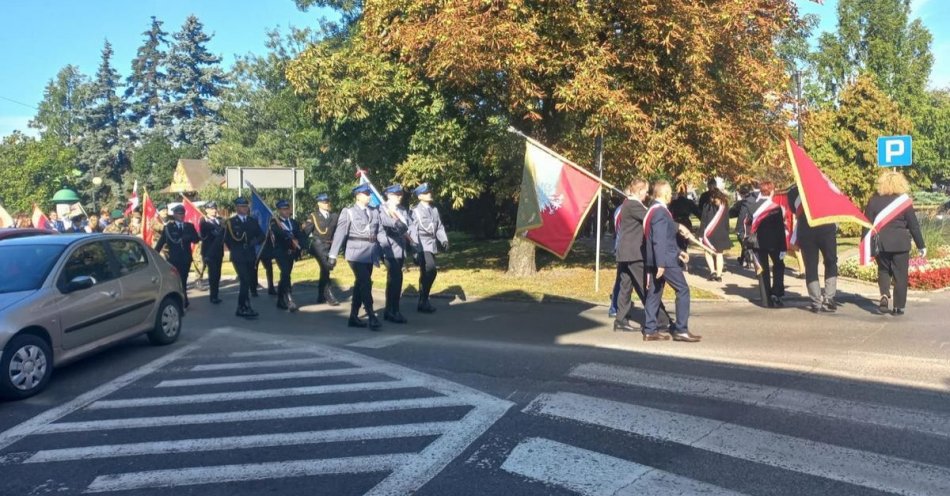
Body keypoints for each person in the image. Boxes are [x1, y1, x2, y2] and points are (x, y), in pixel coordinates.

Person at [643, 181, 701, 342]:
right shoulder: (660, 212)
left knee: (654, 293)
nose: (672, 195)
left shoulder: (653, 209)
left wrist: (679, 251)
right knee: (683, 290)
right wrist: (661, 263)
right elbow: (659, 240)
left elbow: (666, 235)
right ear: (665, 193)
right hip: (665, 259)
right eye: (670, 192)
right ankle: (681, 329)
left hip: (660, 256)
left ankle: (650, 330)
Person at [614, 178, 673, 332]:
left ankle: (621, 319)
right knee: (646, 287)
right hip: (634, 253)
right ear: (639, 191)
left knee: (625, 287)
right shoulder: (633, 205)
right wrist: (677, 226)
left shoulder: (628, 203)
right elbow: (652, 218)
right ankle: (661, 320)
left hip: (625, 252)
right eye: (646, 192)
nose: (647, 195)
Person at [864, 171, 925, 316]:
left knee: (884, 270)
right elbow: (913, 226)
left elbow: (866, 224)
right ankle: (898, 307)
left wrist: (866, 246)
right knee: (901, 275)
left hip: (882, 243)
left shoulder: (874, 201)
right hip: (901, 243)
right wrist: (921, 245)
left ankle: (884, 294)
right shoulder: (904, 202)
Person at [328, 183, 383, 329]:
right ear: (358, 196)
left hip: (370, 253)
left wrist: (385, 248)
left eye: (369, 194)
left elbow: (380, 232)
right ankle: (371, 315)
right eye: (366, 194)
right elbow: (340, 233)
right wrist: (333, 254)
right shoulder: (349, 212)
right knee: (365, 282)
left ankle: (353, 317)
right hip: (355, 253)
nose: (369, 196)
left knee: (360, 284)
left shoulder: (374, 212)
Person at [787, 186, 838, 313]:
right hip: (825, 228)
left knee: (813, 266)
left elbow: (794, 210)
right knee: (829, 262)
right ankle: (828, 298)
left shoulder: (793, 192)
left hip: (807, 230)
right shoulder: (823, 185)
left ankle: (817, 301)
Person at [410, 183, 449, 313]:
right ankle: (424, 299)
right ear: (420, 196)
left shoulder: (434, 210)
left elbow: (439, 227)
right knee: (431, 269)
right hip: (421, 244)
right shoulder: (415, 211)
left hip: (431, 244)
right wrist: (414, 249)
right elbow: (412, 230)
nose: (429, 194)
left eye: (429, 192)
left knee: (426, 272)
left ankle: (423, 300)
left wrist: (443, 239)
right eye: (426, 193)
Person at [747, 181, 788, 308]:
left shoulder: (752, 206)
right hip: (774, 243)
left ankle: (765, 300)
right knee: (779, 266)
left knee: (762, 270)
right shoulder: (775, 207)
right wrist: (783, 247)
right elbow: (780, 229)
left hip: (757, 243)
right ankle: (776, 293)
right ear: (771, 191)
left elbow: (748, 224)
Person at [379, 184, 414, 324]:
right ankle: (394, 311)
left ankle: (389, 310)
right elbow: (384, 221)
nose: (400, 197)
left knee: (393, 279)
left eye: (401, 194)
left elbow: (410, 226)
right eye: (396, 194)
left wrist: (414, 244)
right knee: (396, 278)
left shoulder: (402, 210)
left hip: (400, 249)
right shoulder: (382, 208)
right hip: (388, 248)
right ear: (388, 195)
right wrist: (396, 222)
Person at [224, 198, 265, 318]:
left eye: (246, 206)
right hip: (238, 256)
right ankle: (243, 306)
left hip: (250, 255)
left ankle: (243, 306)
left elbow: (262, 235)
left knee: (248, 280)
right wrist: (236, 249)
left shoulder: (252, 221)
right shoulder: (231, 222)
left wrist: (255, 242)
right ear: (236, 208)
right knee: (245, 280)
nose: (245, 208)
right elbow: (227, 240)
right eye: (242, 206)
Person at [155, 205, 199, 308]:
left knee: (183, 279)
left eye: (183, 213)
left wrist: (189, 237)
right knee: (177, 280)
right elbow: (161, 243)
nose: (181, 216)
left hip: (186, 258)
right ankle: (184, 300)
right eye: (179, 214)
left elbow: (196, 239)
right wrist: (154, 254)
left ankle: (183, 299)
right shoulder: (169, 228)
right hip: (174, 259)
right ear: (174, 215)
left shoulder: (189, 226)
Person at [303, 193, 339, 306]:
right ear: (319, 203)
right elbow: (305, 232)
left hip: (330, 246)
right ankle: (328, 295)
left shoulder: (334, 216)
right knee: (326, 266)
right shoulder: (313, 216)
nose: (327, 204)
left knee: (325, 270)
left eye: (328, 202)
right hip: (318, 246)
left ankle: (320, 295)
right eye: (324, 202)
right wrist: (301, 246)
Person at [271, 199, 303, 312]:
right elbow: (279, 234)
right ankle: (289, 298)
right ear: (279, 210)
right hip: (281, 252)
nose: (286, 211)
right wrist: (290, 238)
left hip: (291, 253)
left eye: (287, 209)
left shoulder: (293, 222)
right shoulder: (275, 223)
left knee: (286, 275)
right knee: (285, 273)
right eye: (283, 209)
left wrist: (299, 243)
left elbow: (299, 234)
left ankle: (280, 299)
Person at [699, 189, 732, 281]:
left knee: (708, 252)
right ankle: (719, 275)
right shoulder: (724, 206)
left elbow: (703, 221)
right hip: (721, 233)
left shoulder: (707, 206)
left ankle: (712, 271)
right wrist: (727, 232)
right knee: (719, 254)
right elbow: (726, 221)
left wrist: (701, 234)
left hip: (709, 234)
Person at [199, 201, 226, 305]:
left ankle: (216, 294)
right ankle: (213, 296)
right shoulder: (204, 220)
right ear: (206, 210)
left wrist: (221, 225)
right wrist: (218, 227)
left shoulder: (220, 220)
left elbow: (225, 229)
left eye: (215, 208)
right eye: (211, 208)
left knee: (218, 274)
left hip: (219, 252)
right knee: (213, 273)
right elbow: (204, 228)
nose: (214, 210)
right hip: (209, 252)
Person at [732, 185, 756, 269]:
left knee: (745, 243)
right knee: (747, 244)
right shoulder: (757, 200)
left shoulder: (743, 203)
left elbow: (741, 216)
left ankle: (749, 261)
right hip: (755, 225)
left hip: (746, 226)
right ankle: (742, 259)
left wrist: (738, 229)